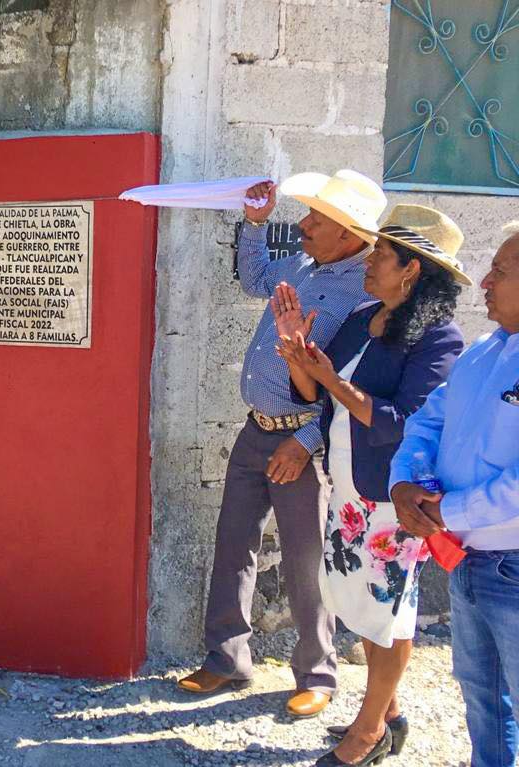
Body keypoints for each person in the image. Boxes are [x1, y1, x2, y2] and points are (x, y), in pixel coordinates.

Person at [179, 170, 387, 720]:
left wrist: (305, 441)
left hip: (303, 444)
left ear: (347, 233)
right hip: (256, 433)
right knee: (233, 545)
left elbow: (349, 387)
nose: (303, 224)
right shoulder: (299, 266)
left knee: (306, 561)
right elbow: (253, 279)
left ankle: (318, 674)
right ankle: (226, 660)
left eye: (316, 218)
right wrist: (254, 222)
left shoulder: (365, 295)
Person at [274, 204, 468, 765]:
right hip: (349, 491)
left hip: (393, 498)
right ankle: (390, 713)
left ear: (411, 269)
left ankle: (367, 733)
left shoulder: (438, 339)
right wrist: (297, 356)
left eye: (381, 252)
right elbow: (314, 393)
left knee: (388, 612)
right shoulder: (364, 316)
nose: (370, 259)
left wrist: (329, 377)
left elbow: (405, 422)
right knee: (361, 605)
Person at [390, 225, 519, 767]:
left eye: (502, 273)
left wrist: (446, 509)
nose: (484, 282)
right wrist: (405, 482)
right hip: (468, 560)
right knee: (483, 699)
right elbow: (427, 423)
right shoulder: (484, 351)